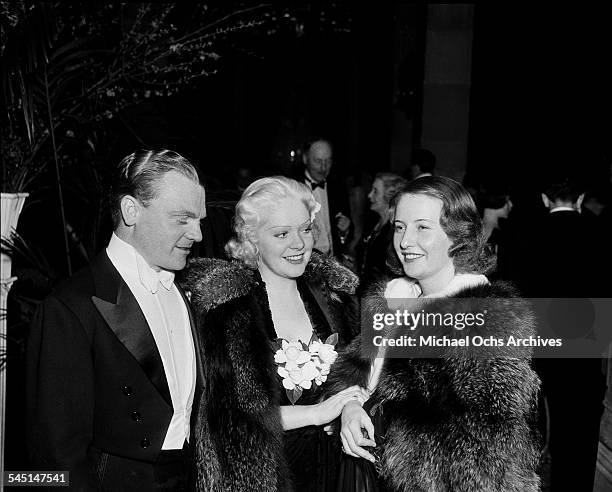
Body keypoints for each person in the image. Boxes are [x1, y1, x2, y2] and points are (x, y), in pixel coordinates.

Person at [327, 176, 541, 491]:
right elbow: (356, 373)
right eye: (399, 226)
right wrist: (349, 406)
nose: (404, 241)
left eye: (422, 227)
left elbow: (491, 461)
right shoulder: (391, 296)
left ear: (458, 235)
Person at [26, 149, 207, 490]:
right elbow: (55, 457)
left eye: (199, 219)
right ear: (130, 211)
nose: (197, 234)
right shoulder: (70, 307)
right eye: (182, 219)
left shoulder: (184, 293)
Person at [181, 176, 366, 491]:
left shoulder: (333, 294)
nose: (299, 244)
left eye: (305, 229)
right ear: (252, 239)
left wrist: (350, 405)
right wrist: (318, 412)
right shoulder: (229, 308)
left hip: (337, 471)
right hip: (267, 473)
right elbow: (232, 415)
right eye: (281, 233)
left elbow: (359, 371)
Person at [296, 138, 352, 257]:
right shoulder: (293, 188)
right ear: (305, 159)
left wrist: (345, 231)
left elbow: (348, 234)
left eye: (328, 161)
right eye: (318, 161)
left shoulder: (338, 188)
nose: (323, 167)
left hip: (332, 261)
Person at [358, 173, 407, 285]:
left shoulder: (396, 232)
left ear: (389, 196)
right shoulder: (373, 223)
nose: (369, 195)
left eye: (375, 191)